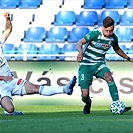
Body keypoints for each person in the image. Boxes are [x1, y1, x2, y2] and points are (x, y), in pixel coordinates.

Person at [0, 12, 77, 115]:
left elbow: (8, 29)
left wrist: (8, 19)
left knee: (35, 87)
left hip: (11, 81)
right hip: (1, 85)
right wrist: (3, 77)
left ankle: (64, 89)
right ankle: (8, 109)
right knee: (10, 109)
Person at [76, 16, 132, 114]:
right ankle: (88, 104)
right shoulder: (95, 33)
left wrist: (128, 58)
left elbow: (117, 49)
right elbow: (79, 42)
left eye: (111, 31)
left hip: (99, 64)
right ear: (102, 28)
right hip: (86, 64)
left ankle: (117, 104)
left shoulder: (113, 38)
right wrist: (80, 52)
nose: (108, 33)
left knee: (109, 77)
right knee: (85, 94)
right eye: (106, 31)